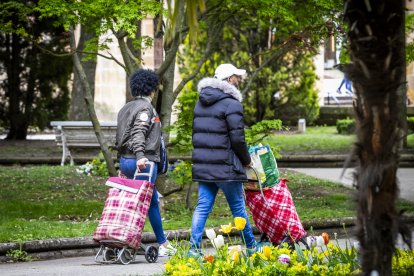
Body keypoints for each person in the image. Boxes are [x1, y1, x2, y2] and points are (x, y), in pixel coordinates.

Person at [189, 63, 257, 256]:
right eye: (236, 76)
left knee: (202, 207)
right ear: (228, 80)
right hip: (227, 167)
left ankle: (193, 249)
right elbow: (237, 138)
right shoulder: (232, 104)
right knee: (238, 209)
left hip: (205, 167)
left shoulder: (200, 102)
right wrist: (246, 160)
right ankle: (251, 247)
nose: (238, 80)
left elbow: (198, 135)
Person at [115, 68, 176, 257]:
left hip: (125, 161)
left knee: (138, 201)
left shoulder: (125, 108)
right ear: (151, 89)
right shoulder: (145, 108)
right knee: (148, 203)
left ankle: (126, 239)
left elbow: (120, 137)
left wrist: (121, 162)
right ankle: (161, 243)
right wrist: (141, 155)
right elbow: (138, 132)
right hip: (143, 162)